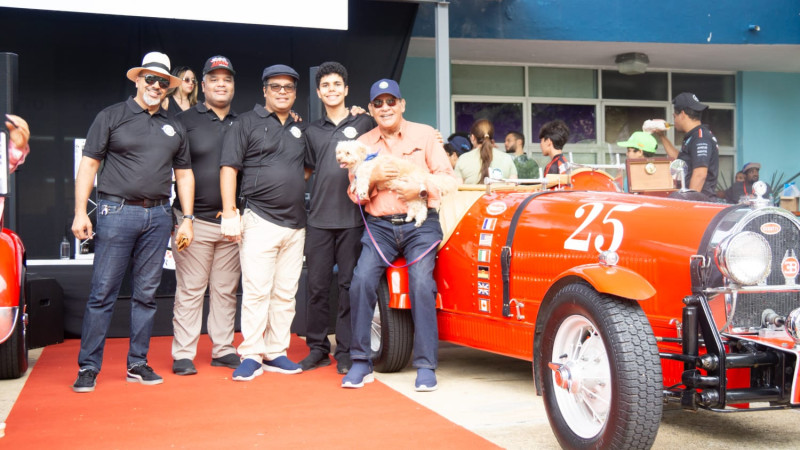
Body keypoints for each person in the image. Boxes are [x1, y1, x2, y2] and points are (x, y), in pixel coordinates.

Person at [71, 52, 195, 393]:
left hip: (158, 216)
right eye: (150, 79)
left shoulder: (175, 127)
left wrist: (186, 219)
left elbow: (184, 176)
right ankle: (88, 367)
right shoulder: (111, 116)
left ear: (169, 88)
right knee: (102, 294)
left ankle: (137, 363)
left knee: (146, 295)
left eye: (162, 82)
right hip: (116, 212)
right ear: (138, 80)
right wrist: (81, 211)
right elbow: (89, 166)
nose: (156, 86)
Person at [342, 78, 457, 391]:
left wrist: (419, 187)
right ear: (371, 109)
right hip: (379, 226)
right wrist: (374, 180)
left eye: (391, 101)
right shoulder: (363, 144)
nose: (385, 107)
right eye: (378, 103)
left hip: (420, 224)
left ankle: (425, 365)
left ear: (402, 105)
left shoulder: (425, 134)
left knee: (421, 283)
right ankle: (361, 362)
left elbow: (448, 178)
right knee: (361, 281)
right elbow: (355, 192)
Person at [219, 64, 311, 381]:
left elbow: (307, 169)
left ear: (295, 92)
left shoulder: (301, 128)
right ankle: (252, 354)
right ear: (265, 90)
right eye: (276, 86)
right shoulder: (245, 123)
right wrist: (230, 211)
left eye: (288, 87)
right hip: (259, 218)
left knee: (285, 294)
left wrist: (288, 184)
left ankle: (275, 352)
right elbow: (229, 168)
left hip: (296, 224)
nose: (282, 91)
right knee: (257, 291)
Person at [299, 61, 376, 374]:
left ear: (346, 89)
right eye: (325, 86)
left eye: (336, 85)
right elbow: (305, 170)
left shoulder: (364, 123)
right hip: (318, 220)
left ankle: (345, 351)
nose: (331, 90)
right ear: (319, 92)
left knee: (347, 287)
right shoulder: (311, 131)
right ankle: (317, 348)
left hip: (353, 219)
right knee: (316, 287)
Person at [170, 56, 240, 376]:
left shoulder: (244, 123)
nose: (221, 84)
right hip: (193, 222)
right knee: (191, 289)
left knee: (225, 290)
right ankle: (183, 353)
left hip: (231, 224)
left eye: (226, 78)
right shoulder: (185, 121)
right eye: (214, 79)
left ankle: (223, 349)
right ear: (203, 85)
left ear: (233, 85)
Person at [655, 92, 719, 200]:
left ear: (683, 114)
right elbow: (679, 161)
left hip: (701, 204)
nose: (674, 121)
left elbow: (700, 174)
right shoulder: (694, 136)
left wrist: (689, 203)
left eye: (674, 116)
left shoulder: (700, 137)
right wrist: (661, 136)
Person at [454, 119, 517, 184]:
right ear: (491, 138)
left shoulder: (463, 159)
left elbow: (457, 189)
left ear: (472, 138)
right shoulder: (507, 158)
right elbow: (513, 187)